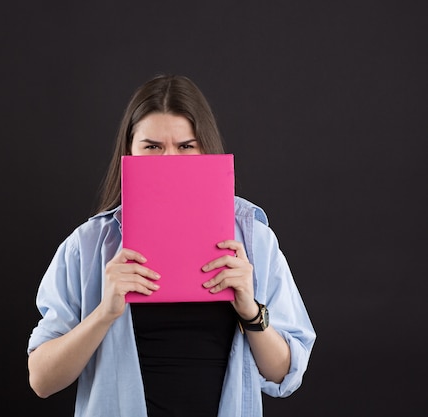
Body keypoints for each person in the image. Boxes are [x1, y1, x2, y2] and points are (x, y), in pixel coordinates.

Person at [27, 74, 316, 417]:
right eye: (152, 147)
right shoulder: (88, 246)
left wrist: (250, 311)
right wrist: (103, 315)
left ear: (206, 149)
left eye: (185, 146)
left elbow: (284, 374)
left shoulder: (254, 241)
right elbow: (41, 379)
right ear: (129, 151)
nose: (168, 160)